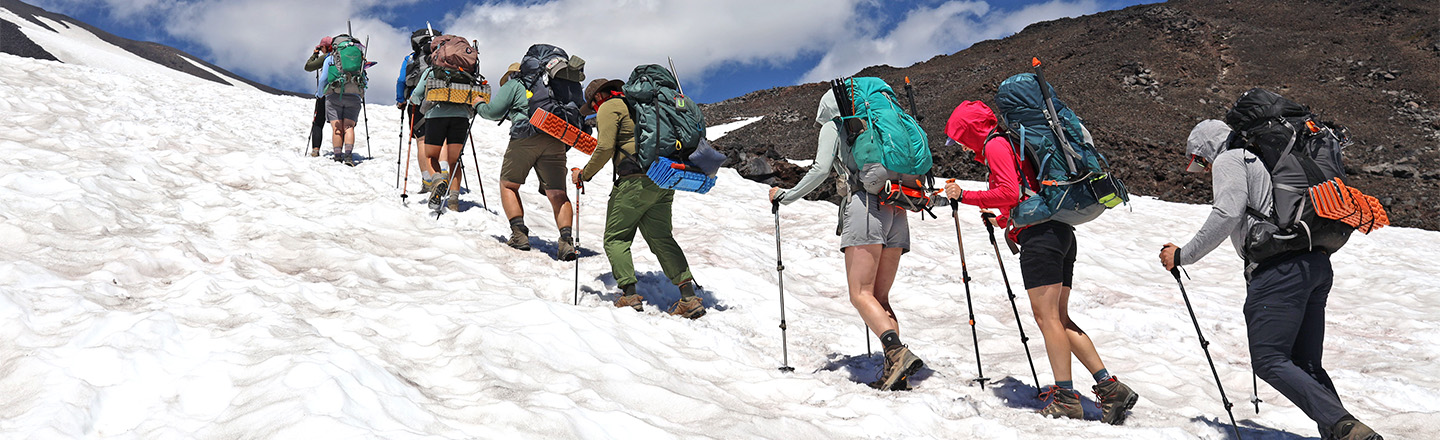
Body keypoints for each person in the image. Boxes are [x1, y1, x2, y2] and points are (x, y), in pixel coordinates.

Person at [1159, 120, 1383, 440]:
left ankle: (1346, 427)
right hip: (1315, 263)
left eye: (1200, 161)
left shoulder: (1230, 158)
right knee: (1306, 363)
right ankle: (1340, 432)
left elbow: (1227, 213)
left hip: (1280, 271)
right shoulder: (1266, 160)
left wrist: (1183, 255)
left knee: (1269, 359)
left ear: (1206, 150)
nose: (1205, 170)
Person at [942, 100, 1138, 423]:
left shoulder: (995, 147)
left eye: (959, 137)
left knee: (1047, 320)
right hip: (1061, 233)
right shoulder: (1011, 144)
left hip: (1040, 240)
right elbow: (1024, 193)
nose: (961, 146)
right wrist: (1003, 220)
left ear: (970, 130)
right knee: (1059, 318)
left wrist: (964, 196)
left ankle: (1065, 397)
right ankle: (1110, 388)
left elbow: (1008, 192)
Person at [768, 89, 923, 391]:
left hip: (865, 207)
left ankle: (896, 352)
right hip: (897, 207)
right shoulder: (878, 126)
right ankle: (896, 369)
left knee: (860, 294)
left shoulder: (835, 125)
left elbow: (821, 169)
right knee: (879, 298)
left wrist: (786, 197)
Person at [569, 79, 704, 319]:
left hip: (634, 180)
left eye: (593, 105)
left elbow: (605, 147)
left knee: (616, 238)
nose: (594, 109)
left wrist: (584, 175)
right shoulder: (640, 105)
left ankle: (629, 295)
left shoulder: (609, 107)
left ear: (598, 97)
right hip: (662, 177)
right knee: (662, 237)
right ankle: (689, 298)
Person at [476, 55, 576, 260]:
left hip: (525, 137)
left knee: (509, 185)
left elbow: (492, 112)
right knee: (558, 194)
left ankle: (519, 235)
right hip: (555, 137)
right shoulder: (553, 86)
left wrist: (478, 104)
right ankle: (566, 241)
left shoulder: (515, 84)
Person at [408, 48, 477, 213]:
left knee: (431, 156)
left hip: (436, 116)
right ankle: (454, 200)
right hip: (461, 117)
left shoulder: (432, 70)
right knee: (454, 160)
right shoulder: (466, 69)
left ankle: (438, 180)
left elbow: (416, 96)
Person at [305, 34, 365, 166]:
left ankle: (337, 156)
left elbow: (323, 78)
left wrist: (320, 94)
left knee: (336, 128)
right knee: (349, 127)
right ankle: (348, 156)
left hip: (334, 95)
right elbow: (364, 79)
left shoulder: (331, 58)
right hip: (354, 95)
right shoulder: (358, 58)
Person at [397, 29, 438, 192]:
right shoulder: (442, 56)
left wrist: (400, 100)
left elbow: (401, 80)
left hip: (417, 102)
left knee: (422, 141)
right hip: (441, 99)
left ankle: (427, 181)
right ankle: (442, 178)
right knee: (440, 141)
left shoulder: (411, 58)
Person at [303, 38, 331, 158]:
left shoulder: (326, 57)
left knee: (318, 122)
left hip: (326, 94)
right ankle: (341, 151)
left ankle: (315, 149)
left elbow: (308, 67)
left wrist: (315, 54)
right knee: (340, 124)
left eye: (322, 47)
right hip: (344, 94)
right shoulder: (342, 58)